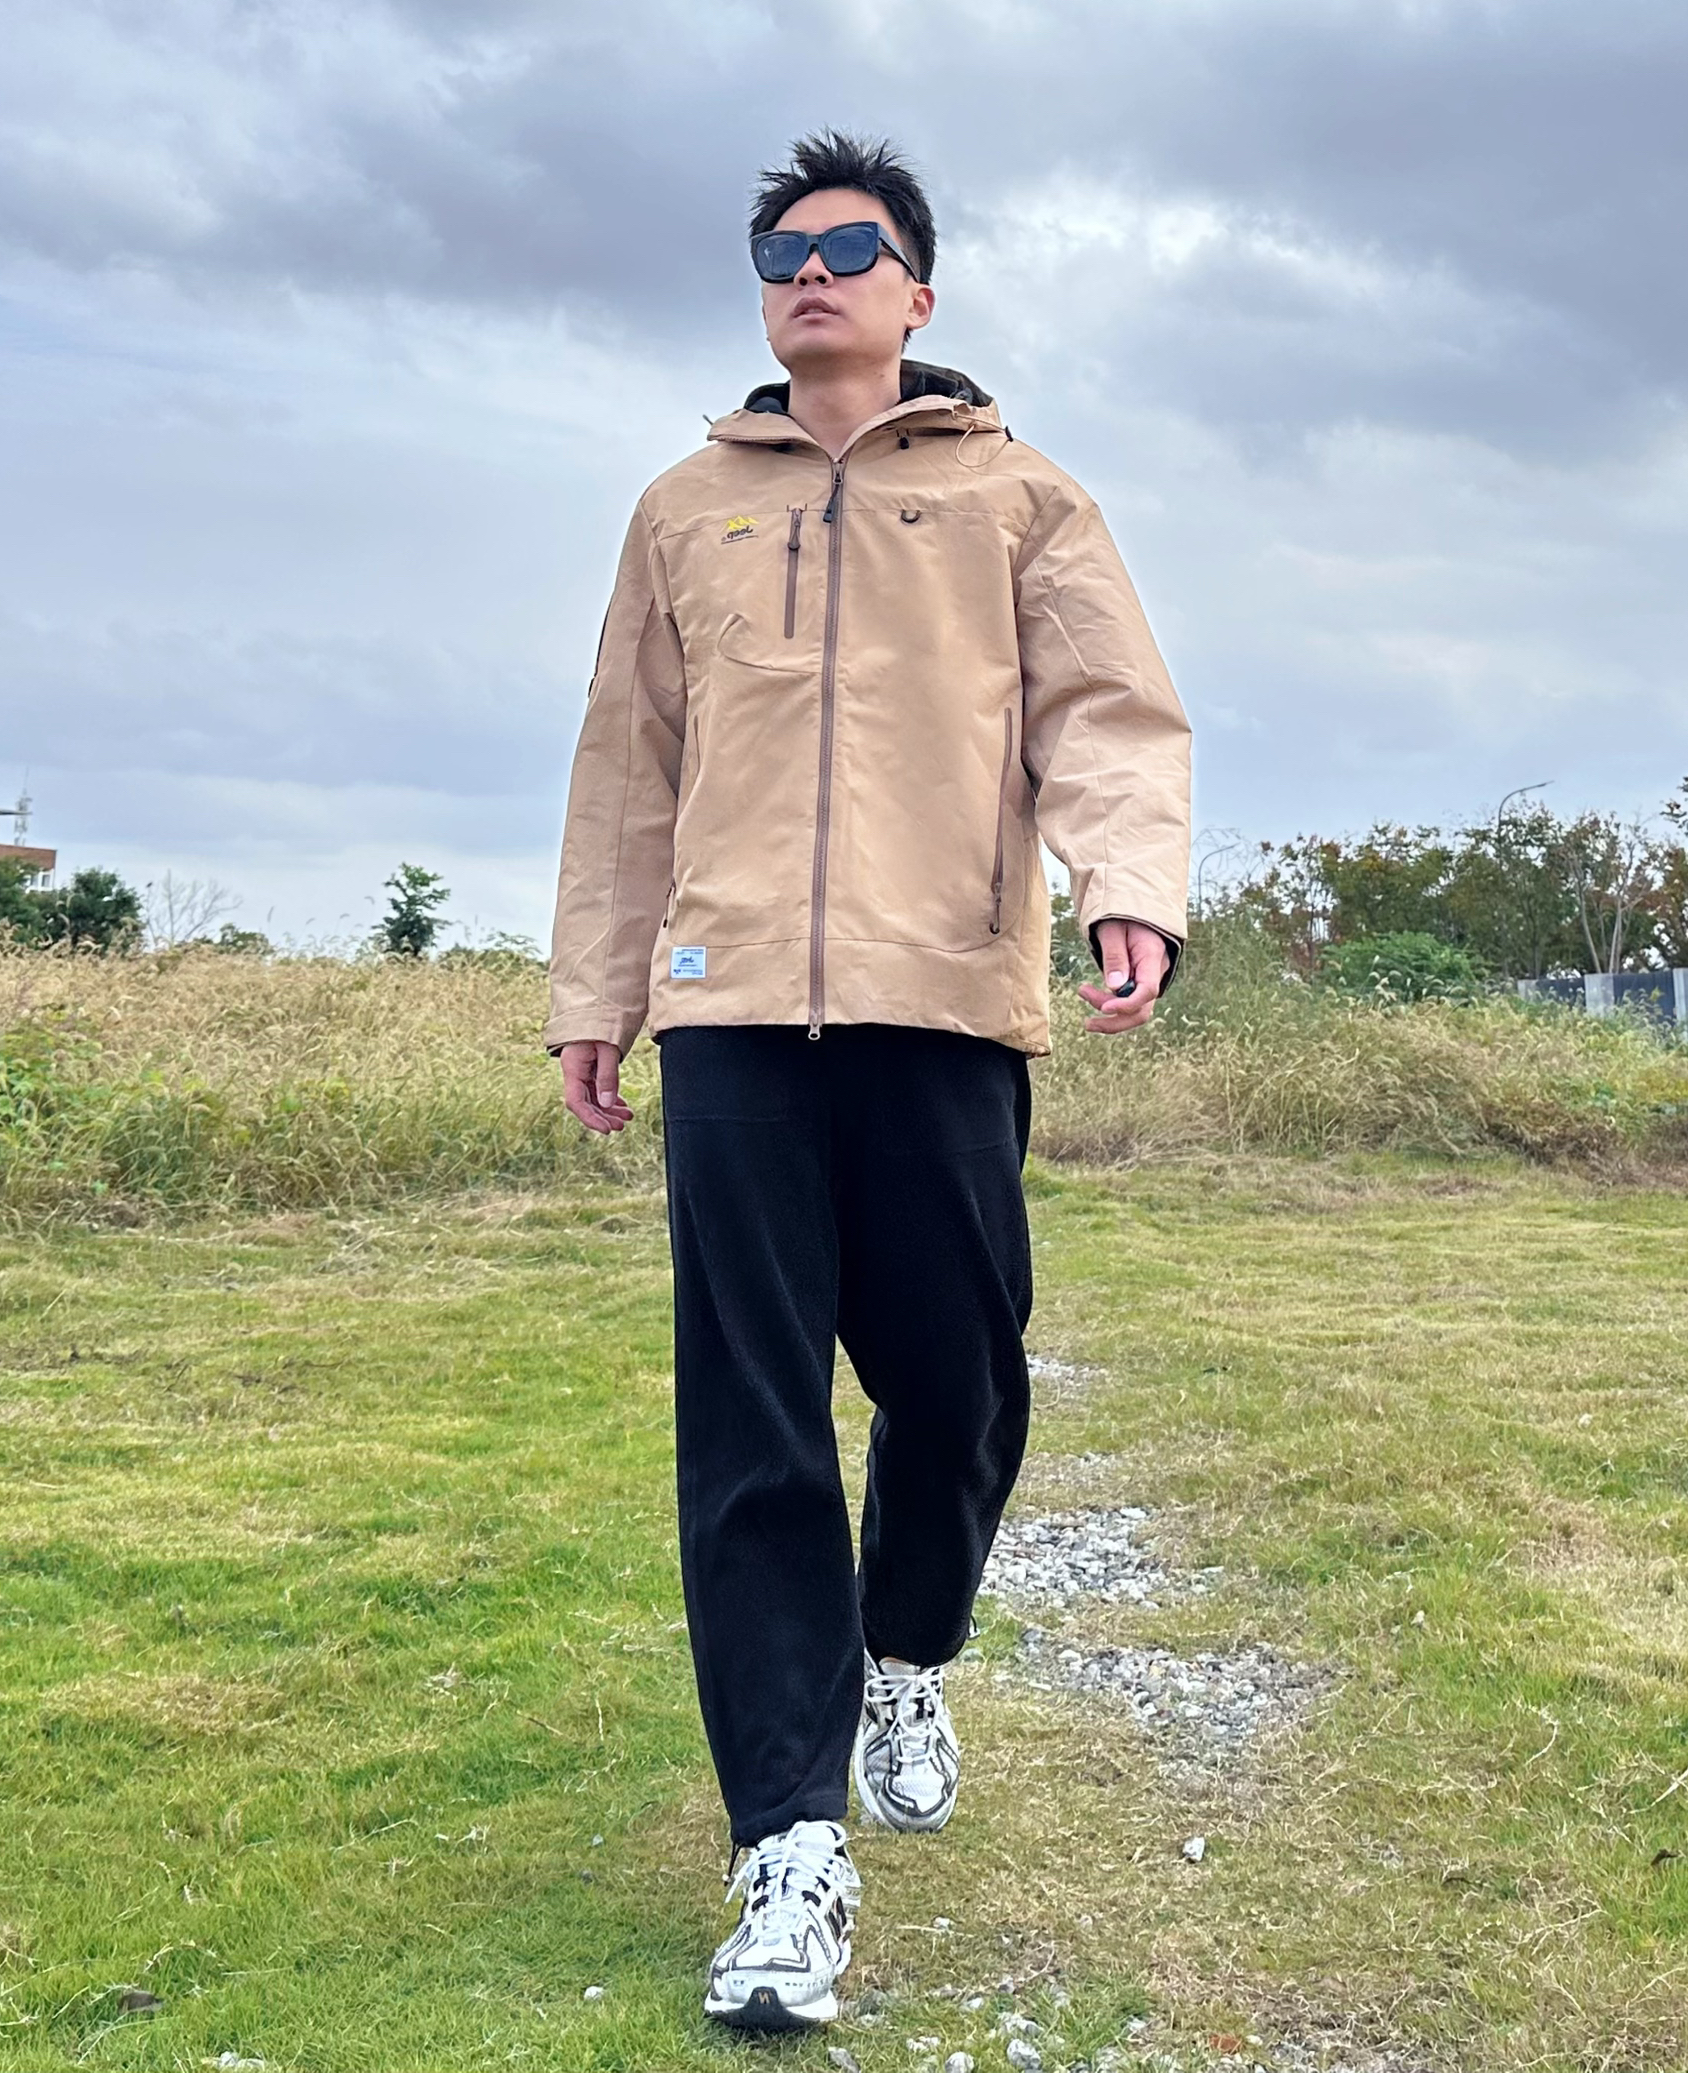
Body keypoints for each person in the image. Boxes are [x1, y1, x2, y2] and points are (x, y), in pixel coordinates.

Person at [546, 130, 1190, 2034]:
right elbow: (627, 766)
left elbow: (1106, 712)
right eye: (779, 252)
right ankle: (785, 1846)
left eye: (846, 248)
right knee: (751, 1425)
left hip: (942, 1006)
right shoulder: (683, 509)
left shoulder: (1020, 496)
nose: (809, 274)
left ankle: (908, 1647)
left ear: (917, 291)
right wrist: (598, 988)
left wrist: (1125, 883)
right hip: (730, 1011)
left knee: (959, 1381)